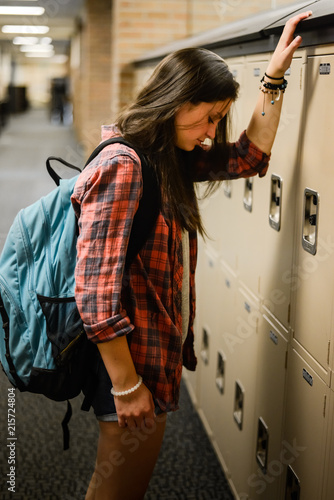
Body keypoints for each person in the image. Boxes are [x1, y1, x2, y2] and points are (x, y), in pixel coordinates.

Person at [71, 10, 312, 500]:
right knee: (117, 488)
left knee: (122, 488)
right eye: (208, 115)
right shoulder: (125, 166)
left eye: (219, 119)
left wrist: (274, 78)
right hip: (129, 367)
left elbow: (249, 157)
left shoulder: (165, 159)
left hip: (151, 361)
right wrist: (125, 385)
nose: (210, 130)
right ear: (176, 100)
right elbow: (94, 295)